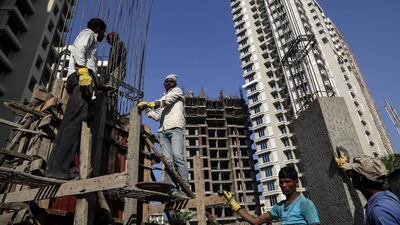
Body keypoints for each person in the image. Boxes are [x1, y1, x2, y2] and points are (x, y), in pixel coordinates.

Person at [45, 18, 107, 180]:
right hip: (81, 79)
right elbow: (79, 49)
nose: (103, 35)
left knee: (72, 122)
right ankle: (58, 169)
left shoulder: (90, 38)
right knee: (73, 123)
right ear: (98, 29)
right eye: (103, 32)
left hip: (82, 79)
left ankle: (61, 166)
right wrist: (83, 72)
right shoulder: (89, 34)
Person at [138, 74, 188, 198]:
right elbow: (158, 117)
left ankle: (185, 187)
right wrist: (147, 110)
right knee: (168, 162)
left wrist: (152, 104)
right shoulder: (162, 98)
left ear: (174, 83)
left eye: (171, 81)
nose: (169, 83)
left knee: (178, 157)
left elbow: (166, 101)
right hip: (163, 131)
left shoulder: (177, 92)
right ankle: (172, 189)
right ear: (164, 83)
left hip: (175, 128)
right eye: (166, 81)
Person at [223, 166, 320, 225]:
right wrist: (234, 204)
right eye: (281, 182)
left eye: (287, 182)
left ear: (296, 183)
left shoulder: (305, 204)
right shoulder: (280, 207)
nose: (284, 185)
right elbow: (256, 221)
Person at [336, 153, 400, 225]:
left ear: (359, 179)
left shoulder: (379, 213)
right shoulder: (388, 196)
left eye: (353, 173)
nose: (350, 175)